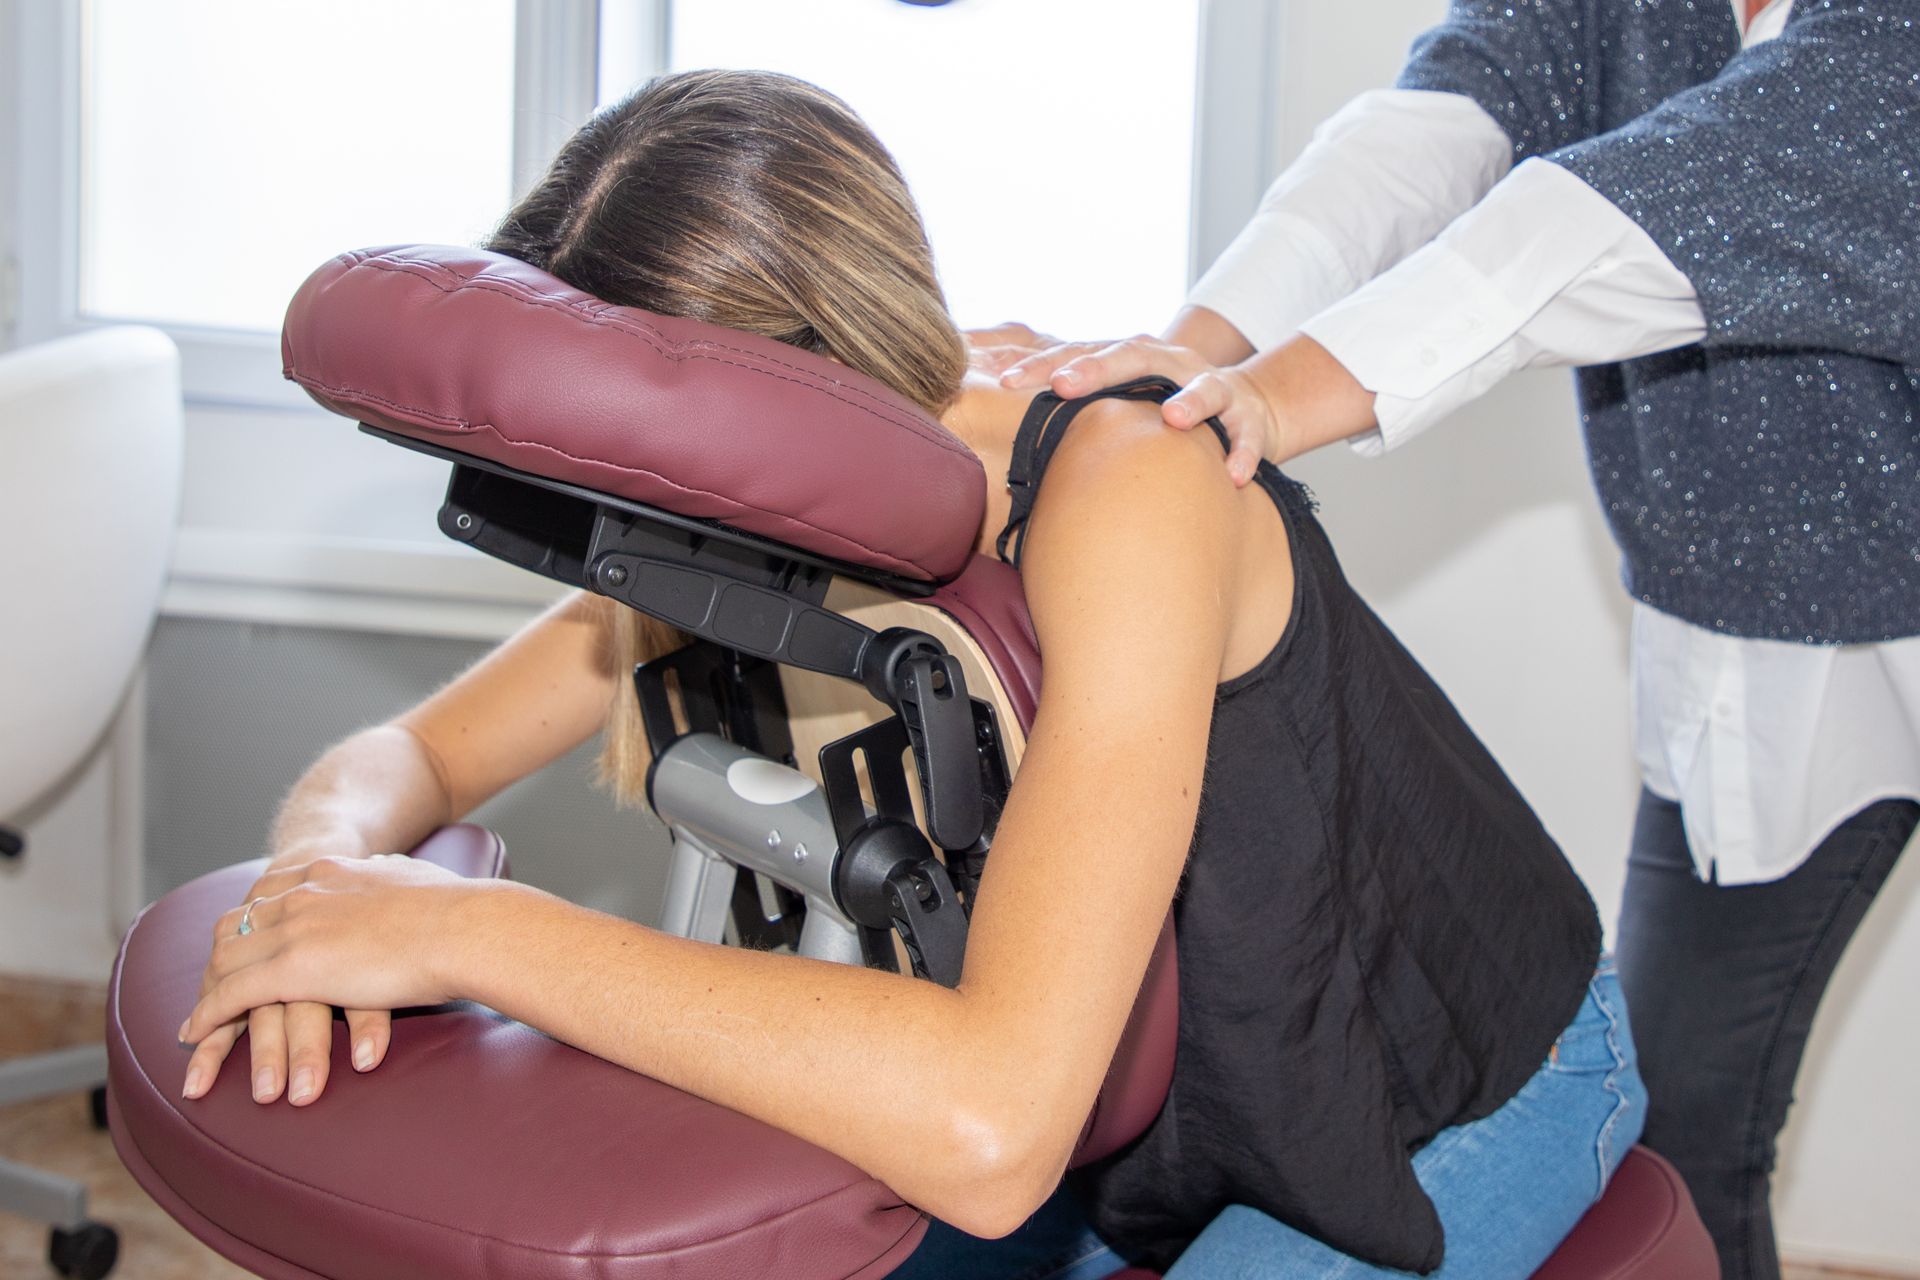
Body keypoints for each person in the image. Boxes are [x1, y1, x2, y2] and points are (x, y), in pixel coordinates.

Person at [176, 71, 1637, 1279]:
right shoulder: (729, 518)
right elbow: (406, 761)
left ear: (787, 388)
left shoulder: (1127, 486)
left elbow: (995, 1129)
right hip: (1143, 1124)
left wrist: (466, 933)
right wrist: (316, 899)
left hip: (1436, 1104)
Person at [997, 3, 1920, 1278]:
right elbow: (1412, 145)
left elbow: (1605, 221)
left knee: (1697, 1118)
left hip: (1870, 634)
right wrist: (1190, 354)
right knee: (1700, 1119)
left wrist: (1265, 398)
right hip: (1751, 656)